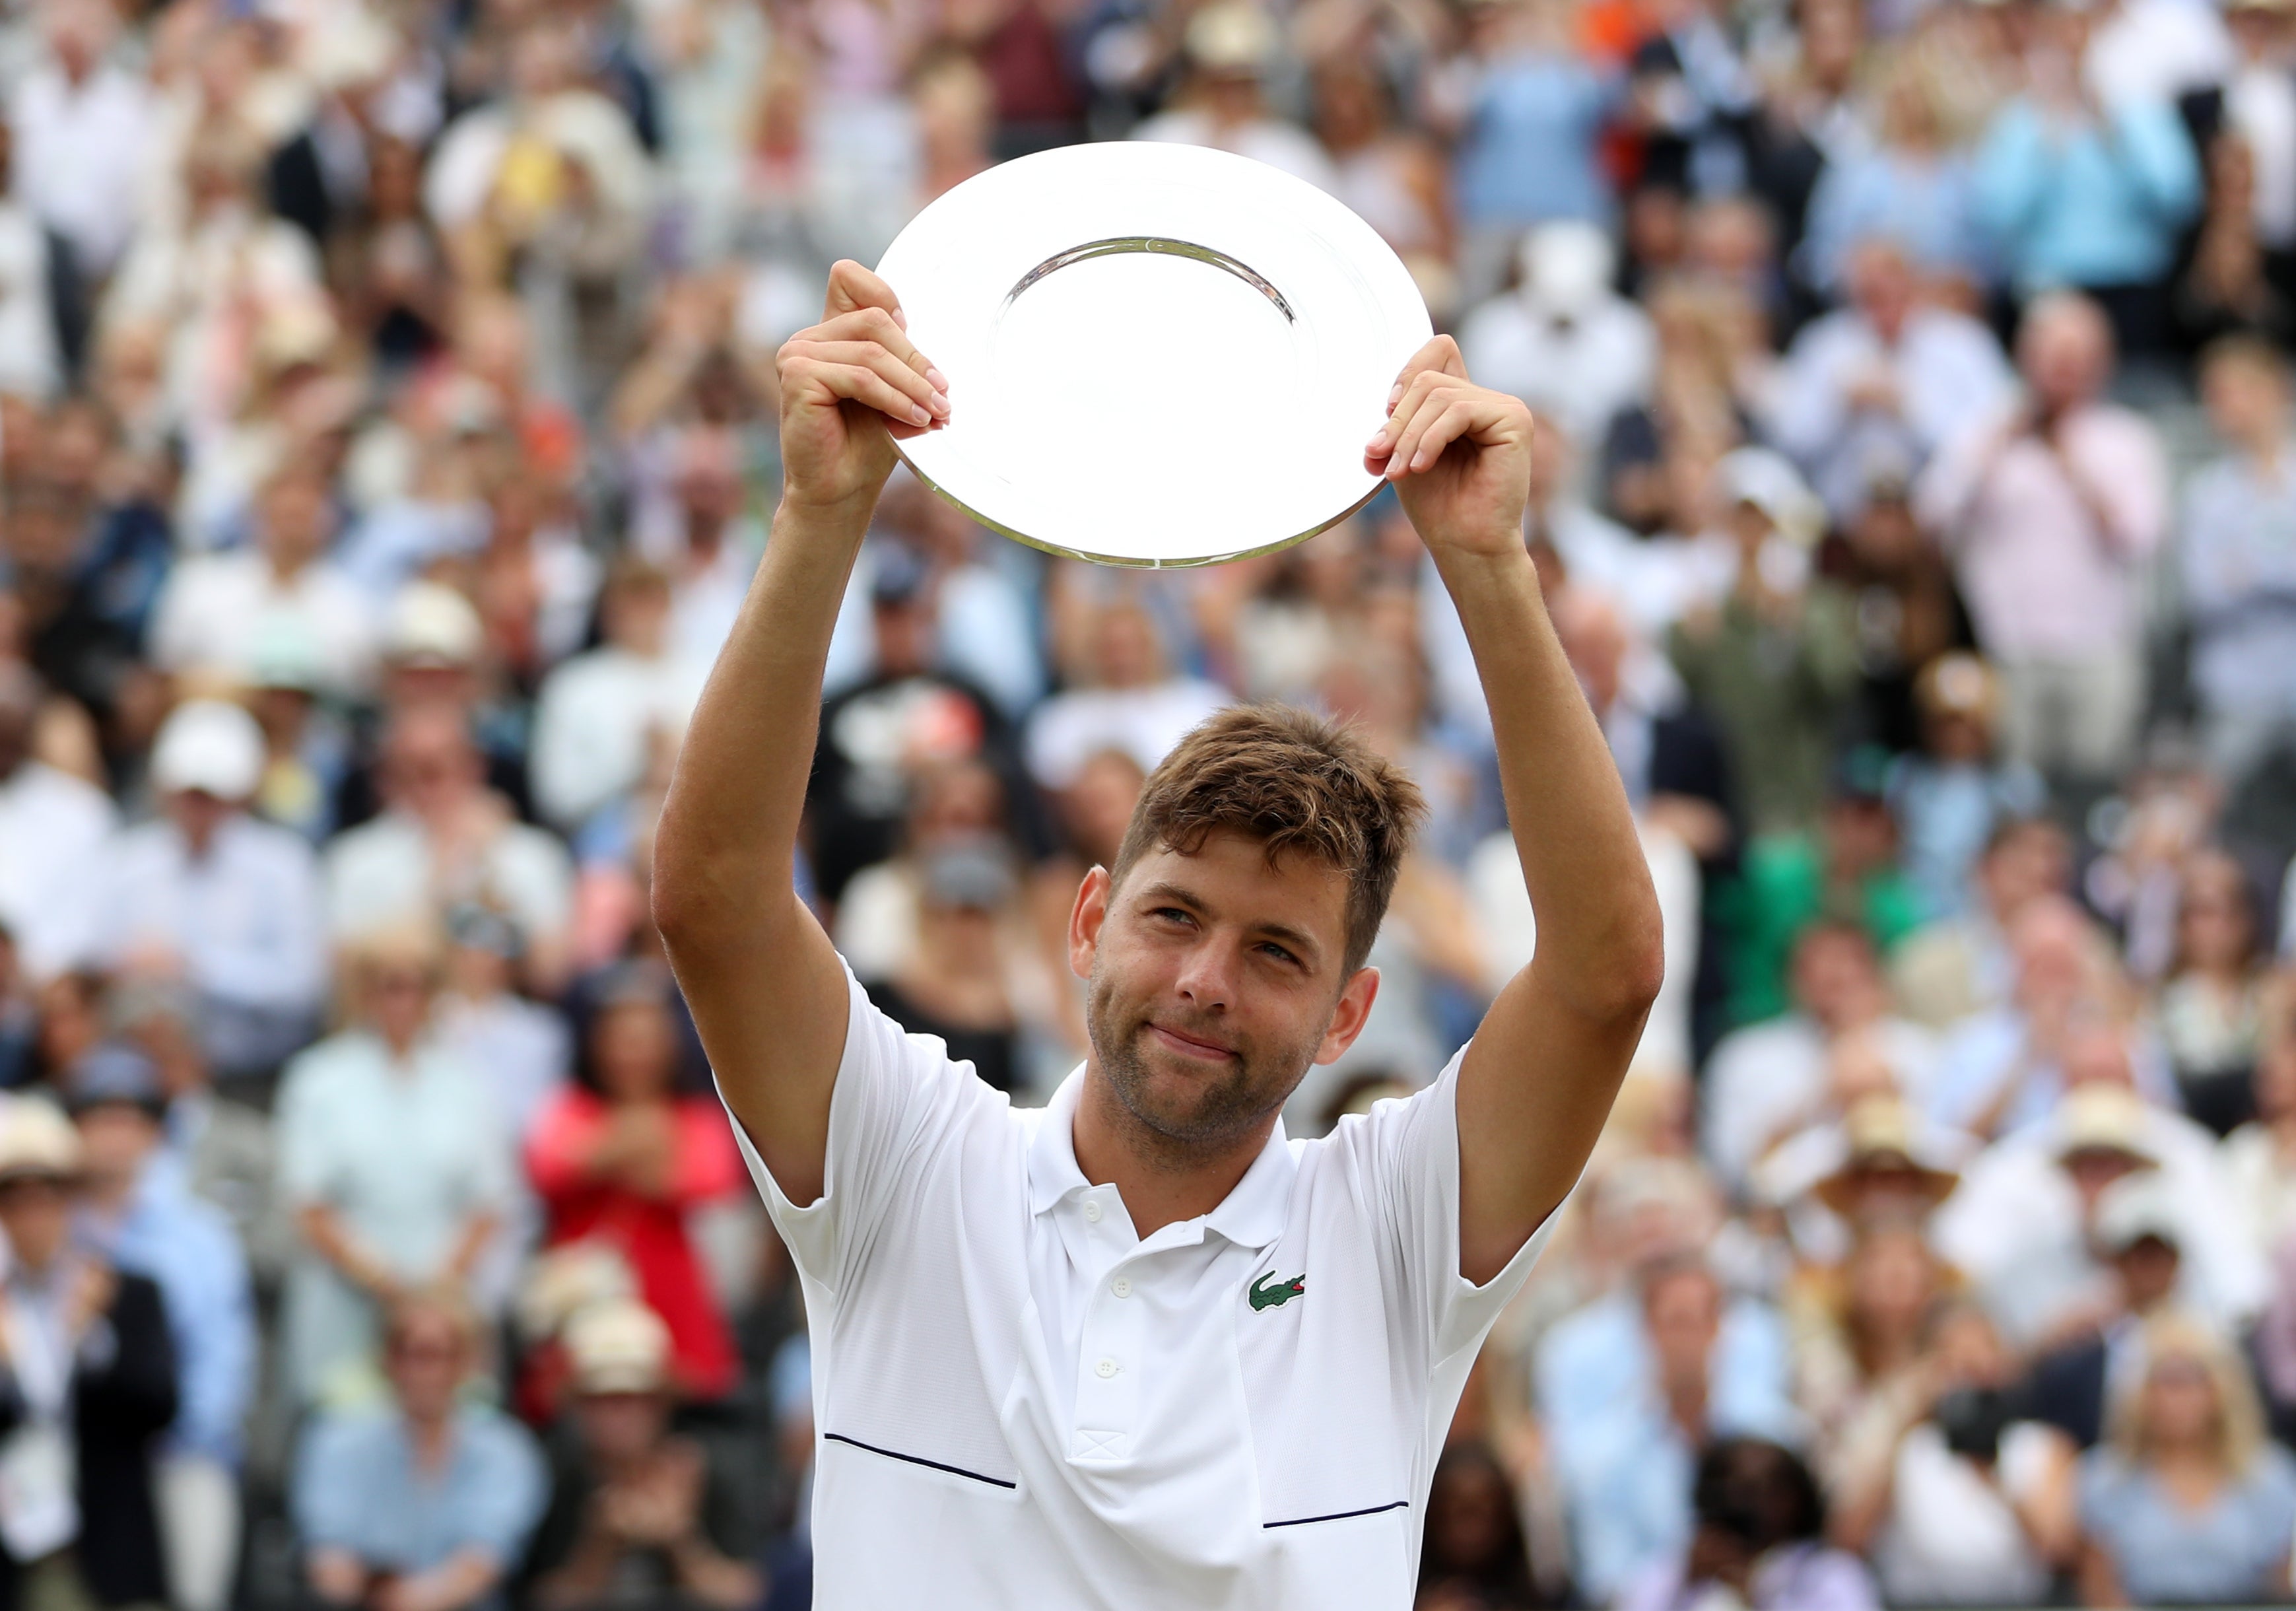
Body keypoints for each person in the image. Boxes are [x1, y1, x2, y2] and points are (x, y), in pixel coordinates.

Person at [650, 262, 1664, 1602]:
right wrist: (821, 513)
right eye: (1171, 914)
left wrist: (1484, 566)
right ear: (1086, 920)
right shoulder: (910, 1159)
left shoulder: (1389, 1229)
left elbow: (1604, 975)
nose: (1203, 980)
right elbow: (714, 900)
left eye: (1276, 951)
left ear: (1349, 1016)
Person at [1913, 294, 2169, 786]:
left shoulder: (2125, 438)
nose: (2063, 370)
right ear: (2026, 358)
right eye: (2053, 356)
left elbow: (2141, 538)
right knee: (2016, 789)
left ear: (2102, 363)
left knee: (2097, 786)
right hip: (2009, 646)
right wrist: (1994, 448)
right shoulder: (1987, 431)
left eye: (2077, 358)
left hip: (2101, 648)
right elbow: (1932, 517)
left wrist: (2070, 465)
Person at [277, 926, 515, 1405]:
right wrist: (385, 1284)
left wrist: (433, 1290)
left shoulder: (465, 1085)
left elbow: (489, 1204)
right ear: (364, 993)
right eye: (391, 985)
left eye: (417, 986)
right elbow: (307, 1204)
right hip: (345, 1307)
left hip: (445, 1316)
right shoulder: (318, 1079)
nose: (404, 1001)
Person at [66, 1043, 255, 1611]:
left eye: (132, 1119)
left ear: (156, 1133)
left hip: (179, 1452)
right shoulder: (48, 1224)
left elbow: (223, 1358)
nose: (116, 1136)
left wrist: (171, 1439)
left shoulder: (200, 1236)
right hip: (75, 1459)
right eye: (101, 1118)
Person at [525, 964, 744, 1402]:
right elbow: (546, 1168)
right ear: (596, 1044)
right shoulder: (569, 1105)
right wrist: (645, 1141)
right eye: (621, 1039)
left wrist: (599, 1154)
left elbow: (712, 1178)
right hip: (582, 1300)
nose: (634, 1054)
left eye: (646, 1038)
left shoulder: (698, 1114)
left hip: (672, 1299)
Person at [0, 1096, 177, 1611]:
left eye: (47, 1198)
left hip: (109, 1547)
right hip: (17, 1544)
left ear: (69, 1203)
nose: (33, 1218)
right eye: (17, 1202)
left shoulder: (126, 1293)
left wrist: (94, 1339)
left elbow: (159, 1404)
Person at [95, 697, 327, 1082]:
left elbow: (301, 984)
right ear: (165, 790)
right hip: (142, 1071)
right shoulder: (129, 861)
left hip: (253, 1073)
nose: (199, 810)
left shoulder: (284, 866)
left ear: (242, 795)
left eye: (212, 797)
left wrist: (193, 966)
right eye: (189, 795)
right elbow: (98, 955)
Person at [293, 1287, 548, 1611]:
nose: (426, 1372)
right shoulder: (334, 1442)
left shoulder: (507, 1450)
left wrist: (409, 1598)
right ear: (386, 1358)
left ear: (467, 1363)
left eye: (441, 1355)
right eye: (413, 1353)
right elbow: (330, 1564)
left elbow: (483, 1564)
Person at [521, 1299, 762, 1610]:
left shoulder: (706, 1468)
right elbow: (538, 1600)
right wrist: (599, 1543)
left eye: (636, 1399)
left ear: (663, 1404)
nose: (619, 1416)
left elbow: (746, 1595)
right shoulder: (555, 1475)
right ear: (577, 1408)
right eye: (602, 1400)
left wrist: (681, 1537)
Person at [2075, 1315, 2296, 1605]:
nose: (2175, 1399)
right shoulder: (2105, 1477)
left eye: (2189, 1381)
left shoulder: (2268, 1475)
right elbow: (2101, 1594)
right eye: (2163, 1382)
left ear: (2220, 1389)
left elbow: (2279, 1588)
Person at [2178, 335, 2296, 786]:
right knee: (2223, 821)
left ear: (2273, 390)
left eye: (2230, 392)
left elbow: (2234, 580)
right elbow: (2205, 593)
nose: (2218, 407)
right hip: (2236, 692)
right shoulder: (2206, 493)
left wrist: (2252, 572)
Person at [1614, 1437, 1879, 1611]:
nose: (1742, 1504)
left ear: (1797, 1497)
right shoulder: (1675, 1571)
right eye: (1730, 1491)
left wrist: (1753, 1597)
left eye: (1759, 1491)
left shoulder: (1830, 1575)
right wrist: (1686, 1581)